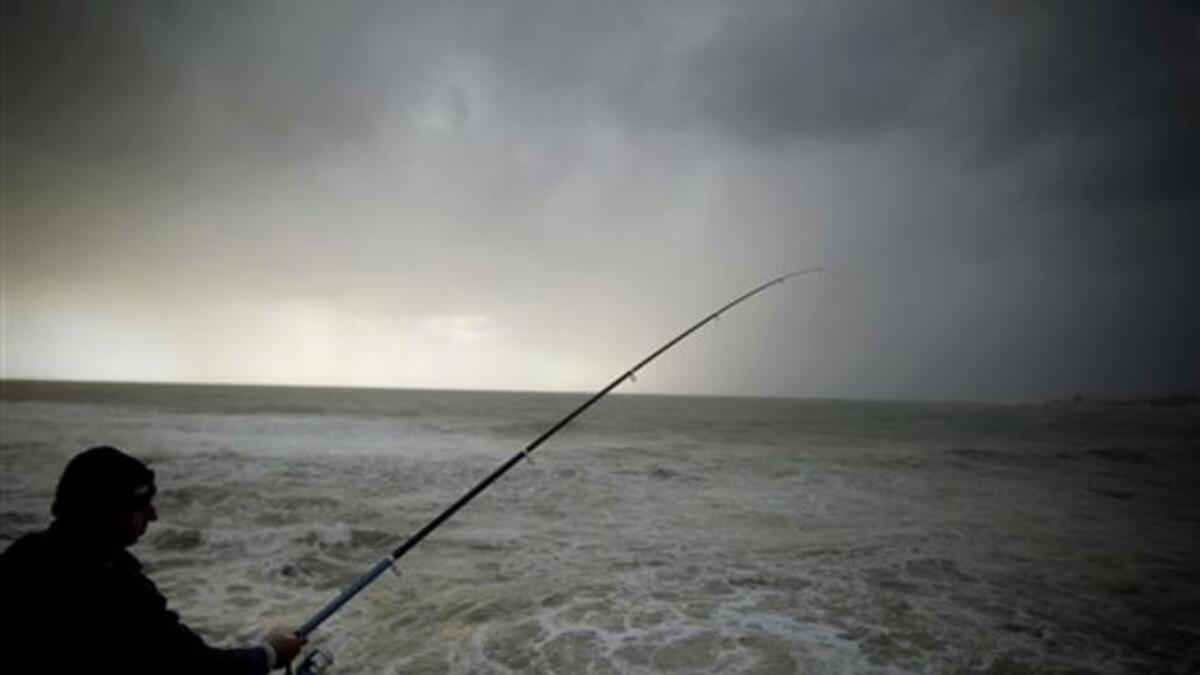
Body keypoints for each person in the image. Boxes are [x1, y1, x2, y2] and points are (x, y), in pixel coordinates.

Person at [0, 445, 306, 674]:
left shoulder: (23, 557)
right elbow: (194, 666)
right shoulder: (114, 585)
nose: (154, 515)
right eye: (142, 506)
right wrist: (269, 654)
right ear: (110, 512)